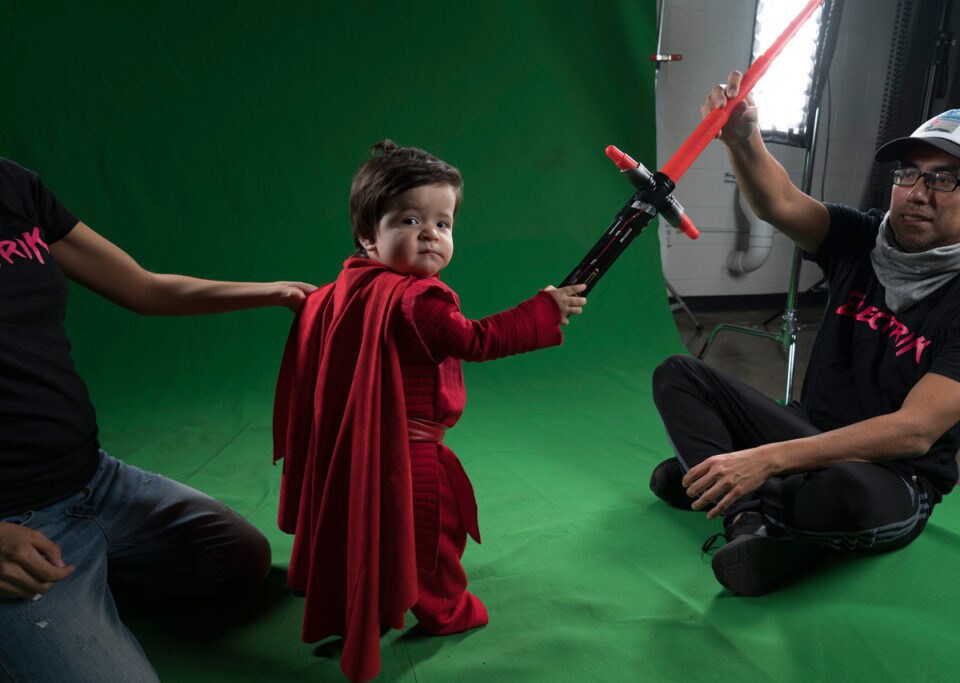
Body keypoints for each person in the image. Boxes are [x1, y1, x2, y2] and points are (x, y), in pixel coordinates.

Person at [649, 70, 960, 597]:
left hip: (891, 476)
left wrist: (767, 458)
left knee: (840, 492)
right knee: (679, 375)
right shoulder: (862, 237)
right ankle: (752, 519)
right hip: (806, 430)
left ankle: (747, 487)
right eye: (908, 174)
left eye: (944, 180)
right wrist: (741, 136)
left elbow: (915, 430)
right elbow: (779, 203)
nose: (917, 194)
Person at [272, 140, 587, 682]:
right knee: (432, 535)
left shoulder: (342, 290)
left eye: (443, 223)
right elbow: (475, 340)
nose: (429, 234)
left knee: (365, 527)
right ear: (368, 235)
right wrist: (543, 310)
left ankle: (362, 602)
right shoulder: (417, 299)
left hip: (358, 447)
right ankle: (445, 611)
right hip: (407, 452)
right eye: (410, 219)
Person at [0, 155, 317, 681]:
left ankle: (83, 588)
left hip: (93, 481)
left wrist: (278, 293)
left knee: (240, 560)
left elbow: (143, 288)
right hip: (11, 525)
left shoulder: (13, 186)